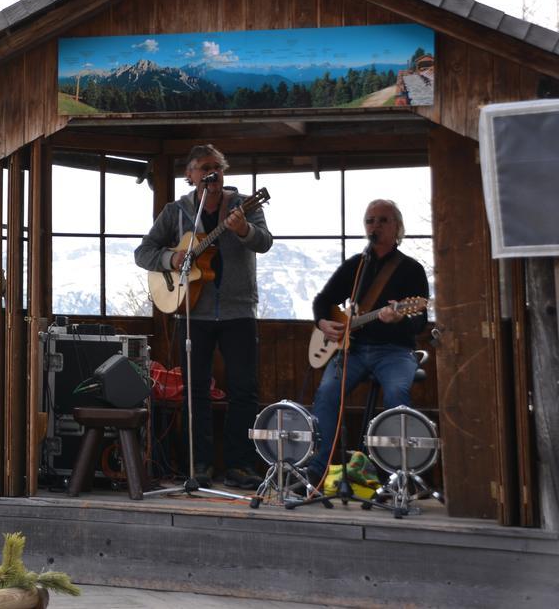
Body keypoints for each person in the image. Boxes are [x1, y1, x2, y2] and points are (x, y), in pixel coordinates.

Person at [135, 144, 272, 490]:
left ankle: (241, 464)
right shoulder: (177, 212)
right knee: (194, 391)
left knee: (244, 389)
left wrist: (243, 231)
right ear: (191, 176)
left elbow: (265, 242)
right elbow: (143, 252)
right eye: (204, 168)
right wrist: (172, 259)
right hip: (190, 312)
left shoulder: (243, 205)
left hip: (238, 311)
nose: (212, 173)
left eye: (217, 167)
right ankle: (200, 464)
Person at [304, 199, 430, 486]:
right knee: (326, 393)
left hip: (395, 351)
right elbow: (323, 301)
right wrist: (323, 322)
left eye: (383, 220)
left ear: (397, 227)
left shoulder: (411, 269)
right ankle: (318, 469)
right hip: (354, 350)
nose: (376, 226)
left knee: (398, 395)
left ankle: (397, 473)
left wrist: (400, 318)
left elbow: (420, 318)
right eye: (370, 220)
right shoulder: (356, 266)